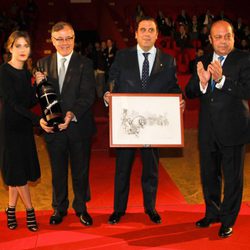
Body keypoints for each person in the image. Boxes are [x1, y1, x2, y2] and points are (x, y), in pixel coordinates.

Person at [104, 16, 184, 225]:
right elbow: (112, 80)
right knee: (123, 169)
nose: (147, 33)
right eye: (143, 29)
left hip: (152, 127)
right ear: (136, 33)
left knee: (151, 170)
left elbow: (173, 88)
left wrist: (179, 101)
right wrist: (108, 95)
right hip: (127, 125)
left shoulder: (167, 60)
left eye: (151, 30)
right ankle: (118, 210)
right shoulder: (122, 56)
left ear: (157, 35)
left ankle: (151, 208)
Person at [185, 20, 250, 238]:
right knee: (209, 174)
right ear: (211, 40)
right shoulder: (202, 60)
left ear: (234, 37)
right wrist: (203, 83)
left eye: (228, 36)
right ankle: (212, 212)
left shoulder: (244, 58)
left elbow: (247, 90)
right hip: (207, 130)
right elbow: (190, 91)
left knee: (233, 178)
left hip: (233, 128)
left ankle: (228, 219)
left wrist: (221, 80)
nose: (223, 41)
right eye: (218, 37)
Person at [35, 21, 96, 226]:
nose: (64, 43)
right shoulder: (42, 64)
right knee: (58, 171)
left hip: (78, 126)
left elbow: (88, 96)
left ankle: (81, 208)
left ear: (74, 39)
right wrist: (43, 118)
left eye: (68, 38)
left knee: (80, 171)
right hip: (54, 130)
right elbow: (41, 98)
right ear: (52, 41)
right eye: (59, 39)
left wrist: (71, 114)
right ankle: (59, 208)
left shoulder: (85, 63)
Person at [0, 30, 40, 232]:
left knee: (18, 172)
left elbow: (29, 102)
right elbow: (14, 104)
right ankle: (30, 211)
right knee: (19, 175)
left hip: (24, 126)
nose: (23, 49)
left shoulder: (26, 73)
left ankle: (10, 209)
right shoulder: (3, 72)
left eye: (26, 45)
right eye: (18, 45)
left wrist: (39, 87)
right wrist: (37, 120)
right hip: (10, 128)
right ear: (10, 48)